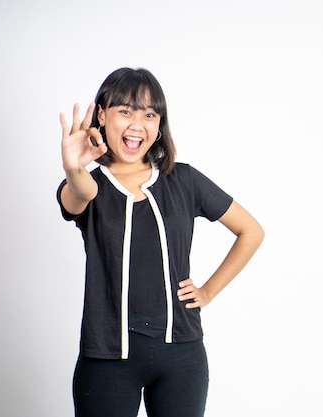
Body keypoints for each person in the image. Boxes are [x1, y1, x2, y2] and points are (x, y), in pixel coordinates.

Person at [56, 67, 265, 417]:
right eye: (126, 111)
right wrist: (73, 167)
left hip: (182, 355)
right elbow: (79, 193)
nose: (138, 123)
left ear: (159, 124)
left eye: (149, 114)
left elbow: (251, 231)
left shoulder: (184, 180)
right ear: (102, 115)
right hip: (108, 358)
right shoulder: (91, 184)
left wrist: (208, 292)